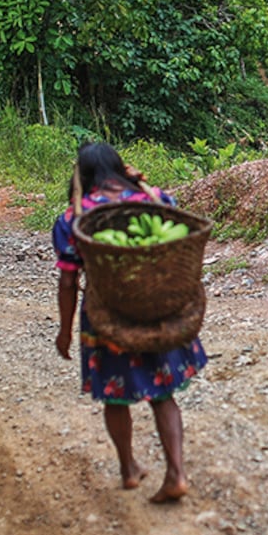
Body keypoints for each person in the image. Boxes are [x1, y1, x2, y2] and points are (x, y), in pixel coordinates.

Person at [52, 142, 206, 503]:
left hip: (108, 317)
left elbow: (68, 280)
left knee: (114, 397)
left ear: (83, 175)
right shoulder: (156, 200)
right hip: (158, 310)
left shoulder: (75, 217)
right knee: (163, 395)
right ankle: (176, 473)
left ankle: (129, 469)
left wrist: (64, 329)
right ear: (121, 168)